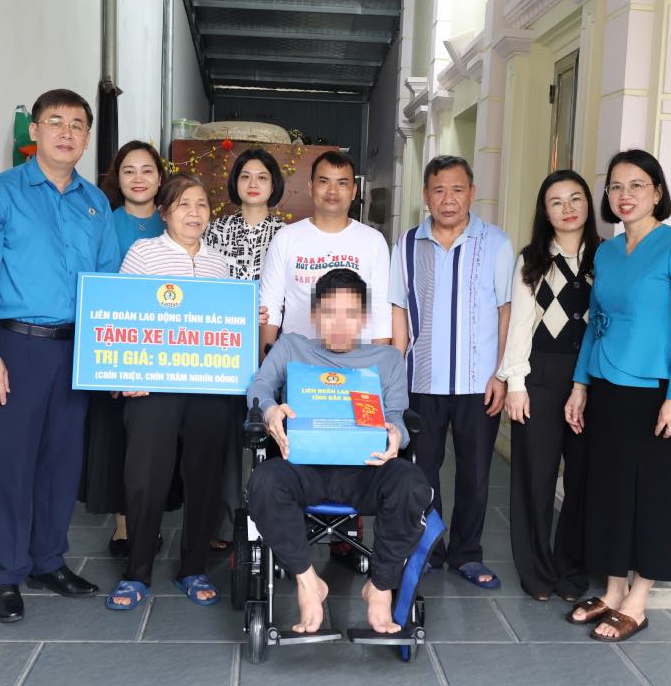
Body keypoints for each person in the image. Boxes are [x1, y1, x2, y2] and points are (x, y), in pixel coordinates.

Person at [0, 88, 121, 623]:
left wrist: (110, 358)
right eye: (56, 122)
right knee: (14, 463)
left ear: (88, 137)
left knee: (62, 463)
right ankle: (5, 572)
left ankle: (49, 560)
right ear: (35, 132)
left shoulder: (96, 204)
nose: (67, 132)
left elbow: (110, 284)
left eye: (78, 124)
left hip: (76, 350)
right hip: (17, 347)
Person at [564, 149, 671, 642]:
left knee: (647, 495)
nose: (624, 196)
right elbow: (595, 325)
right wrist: (581, 383)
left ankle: (638, 599)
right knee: (605, 490)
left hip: (653, 394)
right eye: (616, 187)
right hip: (605, 385)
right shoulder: (605, 251)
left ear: (658, 192)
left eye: (636, 186)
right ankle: (610, 589)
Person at [246, 269, 433, 634]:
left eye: (351, 314)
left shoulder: (387, 360)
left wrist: (396, 435)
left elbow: (396, 418)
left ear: (364, 318)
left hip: (367, 469)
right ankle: (307, 582)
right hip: (302, 466)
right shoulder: (291, 347)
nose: (340, 324)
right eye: (330, 312)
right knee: (263, 482)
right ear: (315, 314)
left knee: (412, 484)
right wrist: (269, 410)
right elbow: (259, 386)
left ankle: (379, 588)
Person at [105, 173, 232, 611]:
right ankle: (136, 573)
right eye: (183, 205)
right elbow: (121, 314)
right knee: (145, 479)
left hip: (209, 390)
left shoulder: (219, 263)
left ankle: (192, 568)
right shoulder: (144, 253)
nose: (194, 213)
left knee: (205, 478)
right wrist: (124, 374)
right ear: (165, 213)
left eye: (201, 204)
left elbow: (224, 324)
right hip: (152, 388)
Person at [388, 155, 514, 589]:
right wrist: (394, 380)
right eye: (439, 190)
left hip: (478, 383)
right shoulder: (404, 246)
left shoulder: (496, 243)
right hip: (420, 381)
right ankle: (429, 549)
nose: (448, 199)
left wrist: (501, 374)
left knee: (476, 473)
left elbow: (506, 311)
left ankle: (466, 553)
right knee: (422, 472)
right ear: (425, 196)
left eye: (457, 189)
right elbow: (399, 313)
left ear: (472, 193)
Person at [497, 170, 600, 602]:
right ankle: (536, 572)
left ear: (589, 204)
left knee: (583, 480)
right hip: (539, 376)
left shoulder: (608, 257)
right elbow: (520, 324)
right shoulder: (532, 259)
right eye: (556, 201)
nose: (568, 208)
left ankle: (571, 570)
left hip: (593, 380)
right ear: (545, 211)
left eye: (575, 198)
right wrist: (515, 383)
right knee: (535, 480)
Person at [81, 140, 167, 558]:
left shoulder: (174, 222)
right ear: (117, 178)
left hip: (169, 349)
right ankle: (123, 525)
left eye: (146, 170)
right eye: (128, 170)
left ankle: (153, 517)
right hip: (119, 347)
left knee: (159, 440)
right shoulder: (101, 221)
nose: (138, 178)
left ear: (160, 177)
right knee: (119, 437)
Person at [205, 148, 287, 552]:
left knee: (274, 435)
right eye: (245, 176)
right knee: (222, 438)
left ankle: (274, 521)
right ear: (235, 182)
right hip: (225, 346)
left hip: (274, 348)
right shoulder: (214, 230)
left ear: (274, 185)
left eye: (262, 177)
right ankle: (221, 524)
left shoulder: (288, 235)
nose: (253, 184)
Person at [259, 150, 391, 358]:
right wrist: (266, 363)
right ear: (310, 187)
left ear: (354, 190)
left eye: (342, 183)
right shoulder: (285, 238)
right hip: (299, 361)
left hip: (357, 364)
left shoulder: (374, 241)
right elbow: (270, 305)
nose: (332, 191)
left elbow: (381, 311)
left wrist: (379, 370)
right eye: (324, 181)